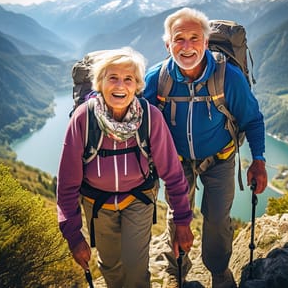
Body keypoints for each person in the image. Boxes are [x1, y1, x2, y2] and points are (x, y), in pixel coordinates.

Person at [144, 8, 267, 288]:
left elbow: (252, 119)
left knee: (216, 219)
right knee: (178, 217)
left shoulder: (229, 77)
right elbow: (142, 123)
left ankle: (219, 270)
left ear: (206, 41)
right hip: (175, 163)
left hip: (220, 160)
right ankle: (179, 269)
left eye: (194, 38)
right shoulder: (157, 79)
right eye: (179, 39)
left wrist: (258, 160)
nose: (187, 46)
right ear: (168, 44)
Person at [56, 47, 194, 288]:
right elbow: (67, 184)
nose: (120, 86)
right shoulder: (83, 118)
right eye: (113, 78)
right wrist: (73, 235)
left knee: (136, 266)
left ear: (137, 85)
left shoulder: (150, 118)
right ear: (100, 82)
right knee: (110, 266)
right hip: (97, 205)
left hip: (138, 200)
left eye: (128, 79)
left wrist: (182, 221)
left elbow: (172, 173)